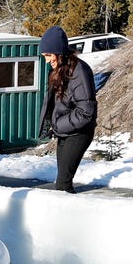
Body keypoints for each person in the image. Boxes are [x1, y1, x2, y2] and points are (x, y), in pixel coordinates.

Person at [37, 25, 97, 193]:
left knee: (63, 184)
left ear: (59, 52)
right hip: (65, 131)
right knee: (62, 183)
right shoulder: (59, 71)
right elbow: (55, 104)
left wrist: (59, 125)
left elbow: (86, 111)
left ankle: (69, 216)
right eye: (44, 56)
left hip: (79, 133)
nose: (47, 60)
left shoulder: (80, 71)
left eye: (48, 55)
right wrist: (51, 124)